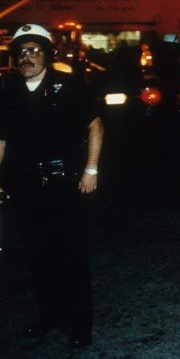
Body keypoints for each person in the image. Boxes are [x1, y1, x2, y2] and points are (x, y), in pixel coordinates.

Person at [0, 23, 103, 349]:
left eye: (34, 50)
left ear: (47, 53)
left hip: (65, 184)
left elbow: (96, 126)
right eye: (21, 52)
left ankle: (81, 324)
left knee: (71, 254)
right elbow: (1, 140)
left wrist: (91, 169)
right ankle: (50, 314)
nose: (27, 57)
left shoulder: (69, 85)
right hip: (26, 186)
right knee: (37, 254)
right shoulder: (8, 90)